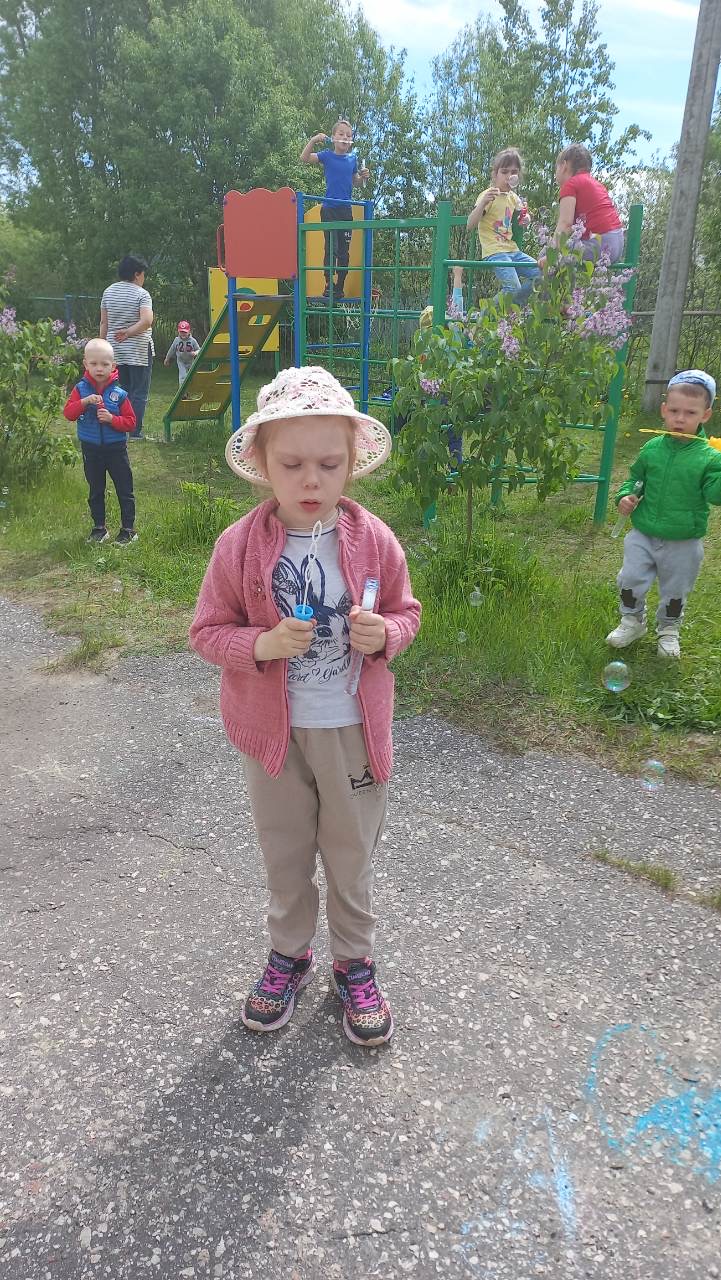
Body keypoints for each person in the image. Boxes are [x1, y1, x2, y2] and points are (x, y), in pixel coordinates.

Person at [189, 366, 421, 1046]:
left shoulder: (374, 540)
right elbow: (206, 632)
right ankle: (289, 955)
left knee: (350, 855)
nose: (311, 481)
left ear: (352, 463)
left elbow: (405, 613)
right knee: (285, 853)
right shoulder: (238, 546)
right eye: (292, 465)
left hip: (351, 732)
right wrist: (261, 644)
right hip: (273, 738)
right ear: (261, 465)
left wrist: (386, 635)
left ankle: (355, 962)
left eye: (329, 464)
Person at [607, 370, 721, 659]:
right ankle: (632, 621)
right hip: (643, 533)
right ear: (663, 410)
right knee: (630, 578)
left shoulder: (709, 457)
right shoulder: (651, 448)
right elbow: (635, 479)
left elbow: (715, 495)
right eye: (674, 411)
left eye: (690, 413)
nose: (680, 419)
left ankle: (669, 629)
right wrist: (625, 496)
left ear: (705, 415)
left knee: (675, 590)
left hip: (684, 541)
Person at [63, 338, 138, 545]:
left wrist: (112, 420)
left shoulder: (119, 394)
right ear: (85, 364)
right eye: (94, 363)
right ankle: (99, 529)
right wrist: (84, 402)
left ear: (113, 366)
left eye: (105, 364)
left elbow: (131, 422)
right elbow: (68, 414)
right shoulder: (80, 390)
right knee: (95, 490)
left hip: (116, 450)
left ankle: (128, 530)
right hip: (91, 450)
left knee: (124, 489)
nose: (99, 368)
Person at [301, 120, 370, 299]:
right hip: (329, 209)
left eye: (349, 135)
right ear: (333, 138)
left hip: (345, 210)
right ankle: (328, 284)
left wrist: (363, 177)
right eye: (341, 134)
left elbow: (356, 182)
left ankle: (340, 286)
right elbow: (304, 158)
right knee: (331, 247)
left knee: (343, 251)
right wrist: (313, 140)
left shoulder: (352, 159)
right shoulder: (327, 156)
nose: (345, 137)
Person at [466, 147, 539, 306]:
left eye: (514, 172)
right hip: (495, 250)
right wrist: (483, 203)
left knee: (541, 275)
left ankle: (515, 304)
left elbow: (523, 216)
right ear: (495, 174)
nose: (509, 176)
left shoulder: (514, 198)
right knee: (513, 288)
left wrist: (526, 219)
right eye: (504, 172)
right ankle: (484, 315)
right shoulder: (489, 195)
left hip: (512, 250)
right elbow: (470, 224)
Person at [542, 144, 624, 266]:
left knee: (547, 255)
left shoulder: (570, 185)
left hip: (598, 244)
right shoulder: (596, 184)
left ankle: (528, 279)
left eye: (556, 168)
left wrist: (551, 255)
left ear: (564, 165)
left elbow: (566, 224)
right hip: (617, 243)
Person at [100, 254, 154, 440]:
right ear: (137, 274)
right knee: (139, 392)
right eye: (143, 274)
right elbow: (147, 321)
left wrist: (102, 346)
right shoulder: (142, 294)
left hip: (114, 350)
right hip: (138, 351)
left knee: (121, 390)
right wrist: (129, 332)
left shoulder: (108, 292)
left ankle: (118, 427)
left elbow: (104, 323)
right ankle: (134, 431)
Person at [164, 320, 200, 386]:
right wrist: (167, 358)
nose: (183, 334)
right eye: (181, 332)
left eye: (185, 332)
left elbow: (199, 350)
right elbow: (171, 350)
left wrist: (195, 353)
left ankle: (191, 388)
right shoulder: (176, 340)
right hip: (181, 361)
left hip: (190, 361)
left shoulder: (193, 340)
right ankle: (182, 390)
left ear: (189, 331)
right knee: (183, 375)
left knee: (191, 375)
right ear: (178, 331)